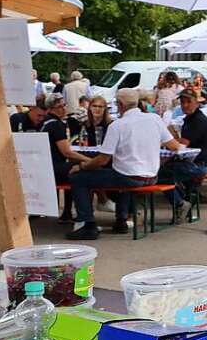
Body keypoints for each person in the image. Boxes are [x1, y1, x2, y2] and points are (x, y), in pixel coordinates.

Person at [66, 87, 181, 240]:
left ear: (120, 105)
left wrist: (81, 166)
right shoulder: (154, 119)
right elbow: (174, 146)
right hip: (152, 175)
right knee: (122, 173)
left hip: (128, 176)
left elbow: (102, 160)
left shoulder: (118, 125)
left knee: (79, 178)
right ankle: (121, 218)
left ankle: (86, 223)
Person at [159, 89, 207, 221]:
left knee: (159, 175)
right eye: (182, 102)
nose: (185, 105)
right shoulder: (189, 119)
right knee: (163, 172)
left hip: (197, 165)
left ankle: (181, 202)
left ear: (197, 102)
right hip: (191, 162)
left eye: (189, 101)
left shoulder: (198, 120)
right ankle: (185, 199)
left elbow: (181, 145)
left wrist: (168, 137)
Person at [42, 94, 93, 225]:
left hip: (45, 167)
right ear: (50, 109)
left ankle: (67, 212)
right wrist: (88, 160)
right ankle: (84, 213)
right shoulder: (56, 125)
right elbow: (67, 152)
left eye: (64, 105)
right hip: (53, 169)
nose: (63, 109)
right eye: (59, 107)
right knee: (80, 170)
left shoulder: (45, 122)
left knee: (74, 167)